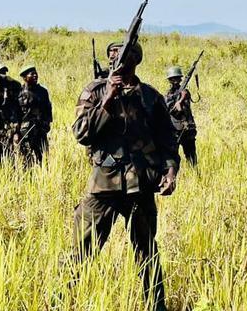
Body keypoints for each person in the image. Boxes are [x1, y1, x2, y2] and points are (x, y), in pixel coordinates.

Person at [71, 42, 179, 311]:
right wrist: (107, 99)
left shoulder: (151, 97)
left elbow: (167, 139)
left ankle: (156, 306)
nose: (114, 58)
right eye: (111, 55)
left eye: (122, 53)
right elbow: (82, 133)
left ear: (136, 59)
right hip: (103, 185)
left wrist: (171, 170)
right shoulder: (95, 91)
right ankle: (60, 300)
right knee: (81, 251)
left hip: (140, 186)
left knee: (147, 253)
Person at [16, 65, 52, 166]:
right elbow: (16, 114)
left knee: (43, 159)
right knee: (26, 159)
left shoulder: (43, 92)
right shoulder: (19, 92)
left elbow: (48, 109)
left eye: (36, 73)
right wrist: (16, 132)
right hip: (25, 131)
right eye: (32, 74)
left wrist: (47, 124)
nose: (35, 75)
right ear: (24, 77)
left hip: (40, 129)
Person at [164, 66, 198, 166]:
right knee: (173, 157)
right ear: (169, 80)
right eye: (172, 79)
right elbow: (169, 109)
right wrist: (177, 103)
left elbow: (185, 106)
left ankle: (194, 175)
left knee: (191, 157)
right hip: (175, 130)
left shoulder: (185, 92)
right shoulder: (168, 95)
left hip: (188, 129)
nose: (175, 81)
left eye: (177, 78)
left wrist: (181, 100)